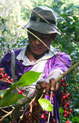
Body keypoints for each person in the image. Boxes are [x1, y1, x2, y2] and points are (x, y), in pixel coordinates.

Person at [0, 6, 72, 123]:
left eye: (43, 38)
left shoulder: (60, 58)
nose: (37, 42)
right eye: (33, 36)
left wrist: (51, 79)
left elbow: (59, 70)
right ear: (28, 33)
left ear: (53, 36)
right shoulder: (11, 59)